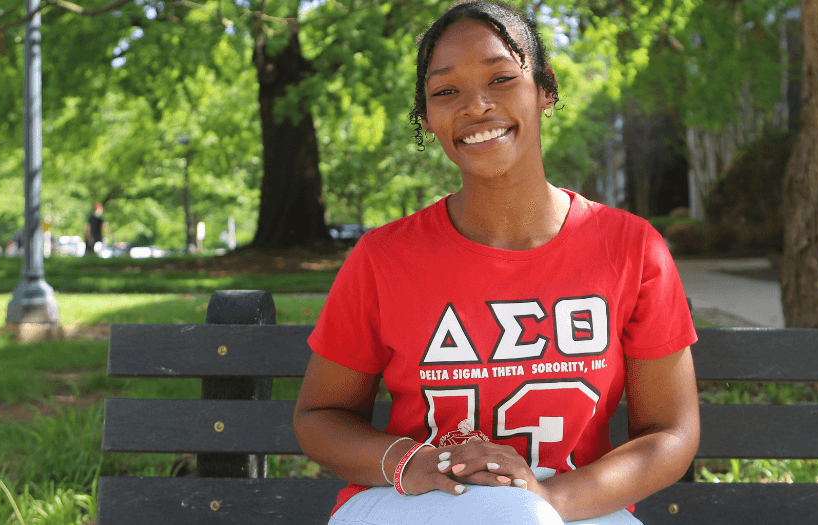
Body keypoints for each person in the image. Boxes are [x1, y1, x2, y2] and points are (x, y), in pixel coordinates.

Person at [294, 3, 700, 524]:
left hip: (572, 505)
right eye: (446, 91)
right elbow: (319, 415)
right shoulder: (384, 258)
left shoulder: (630, 248)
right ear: (426, 118)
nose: (476, 105)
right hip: (413, 500)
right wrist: (409, 461)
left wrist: (547, 500)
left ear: (544, 89)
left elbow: (671, 432)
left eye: (502, 79)